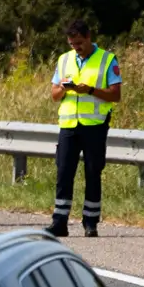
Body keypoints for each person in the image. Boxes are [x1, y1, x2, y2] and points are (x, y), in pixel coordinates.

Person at [44, 18, 121, 238]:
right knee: (64, 173)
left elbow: (116, 94)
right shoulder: (64, 60)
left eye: (79, 43)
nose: (76, 48)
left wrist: (90, 90)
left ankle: (90, 222)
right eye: (72, 44)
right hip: (69, 124)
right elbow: (54, 94)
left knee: (92, 172)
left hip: (94, 126)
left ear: (88, 37)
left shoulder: (107, 59)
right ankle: (59, 222)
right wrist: (66, 89)